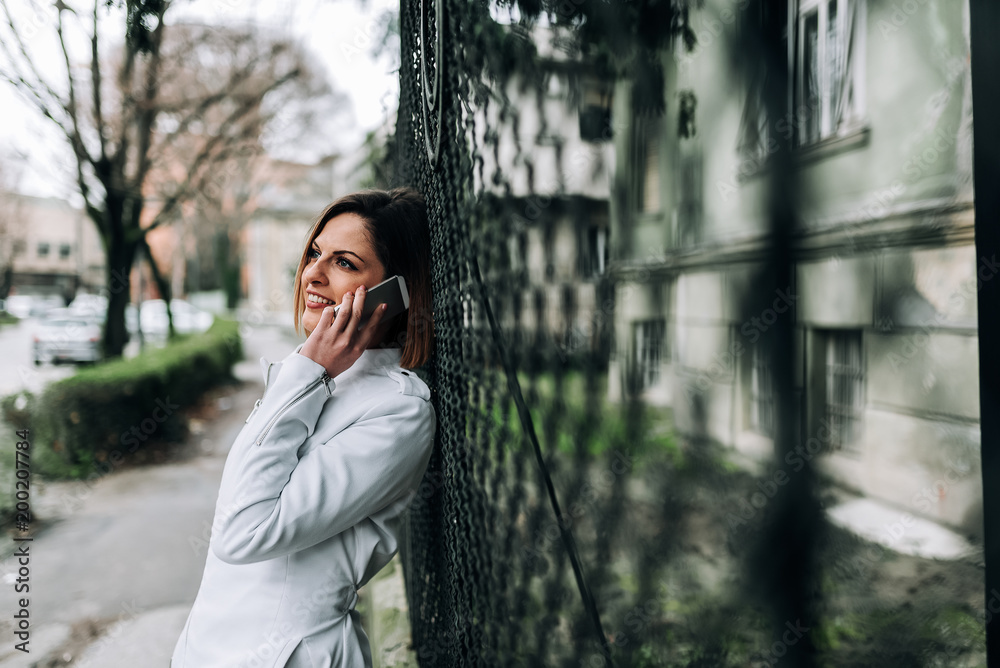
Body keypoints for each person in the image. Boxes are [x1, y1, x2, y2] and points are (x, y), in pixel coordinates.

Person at [171, 188, 436, 667]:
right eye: (315, 252)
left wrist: (308, 369)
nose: (312, 273)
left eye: (345, 263)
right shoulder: (314, 377)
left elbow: (243, 531)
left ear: (393, 296)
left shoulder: (398, 411)